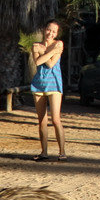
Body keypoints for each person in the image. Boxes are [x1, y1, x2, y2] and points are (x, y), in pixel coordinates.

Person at [30, 19, 66, 161]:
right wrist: (48, 52)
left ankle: (62, 152)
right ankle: (44, 152)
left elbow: (51, 64)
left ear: (57, 33)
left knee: (56, 119)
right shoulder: (35, 45)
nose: (50, 33)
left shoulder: (59, 44)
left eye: (54, 31)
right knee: (42, 120)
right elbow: (37, 62)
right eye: (48, 30)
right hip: (39, 84)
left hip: (54, 85)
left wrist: (43, 51)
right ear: (44, 29)